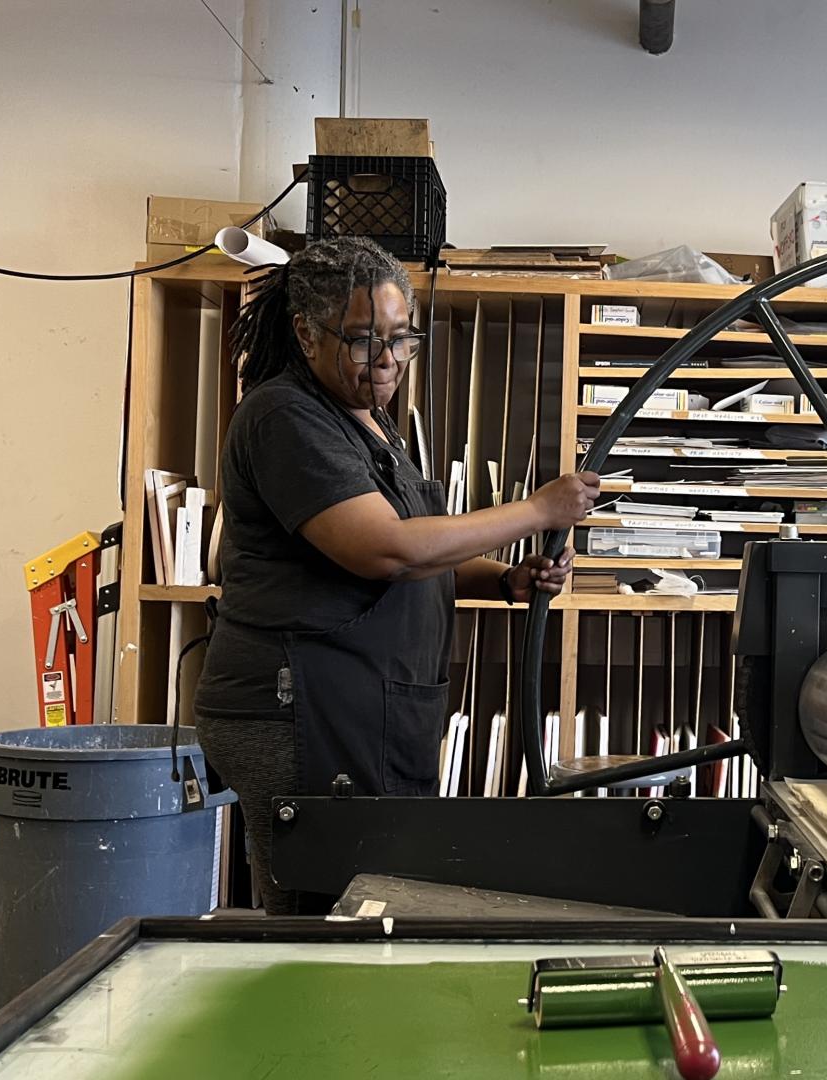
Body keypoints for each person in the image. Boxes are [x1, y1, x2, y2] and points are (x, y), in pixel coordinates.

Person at [194, 236, 597, 913]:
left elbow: (421, 555)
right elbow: (386, 551)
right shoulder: (286, 415)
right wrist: (536, 510)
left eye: (401, 339)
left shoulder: (370, 420)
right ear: (306, 333)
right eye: (361, 340)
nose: (386, 360)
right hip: (301, 708)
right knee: (325, 911)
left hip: (363, 702)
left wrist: (504, 579)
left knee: (369, 904)